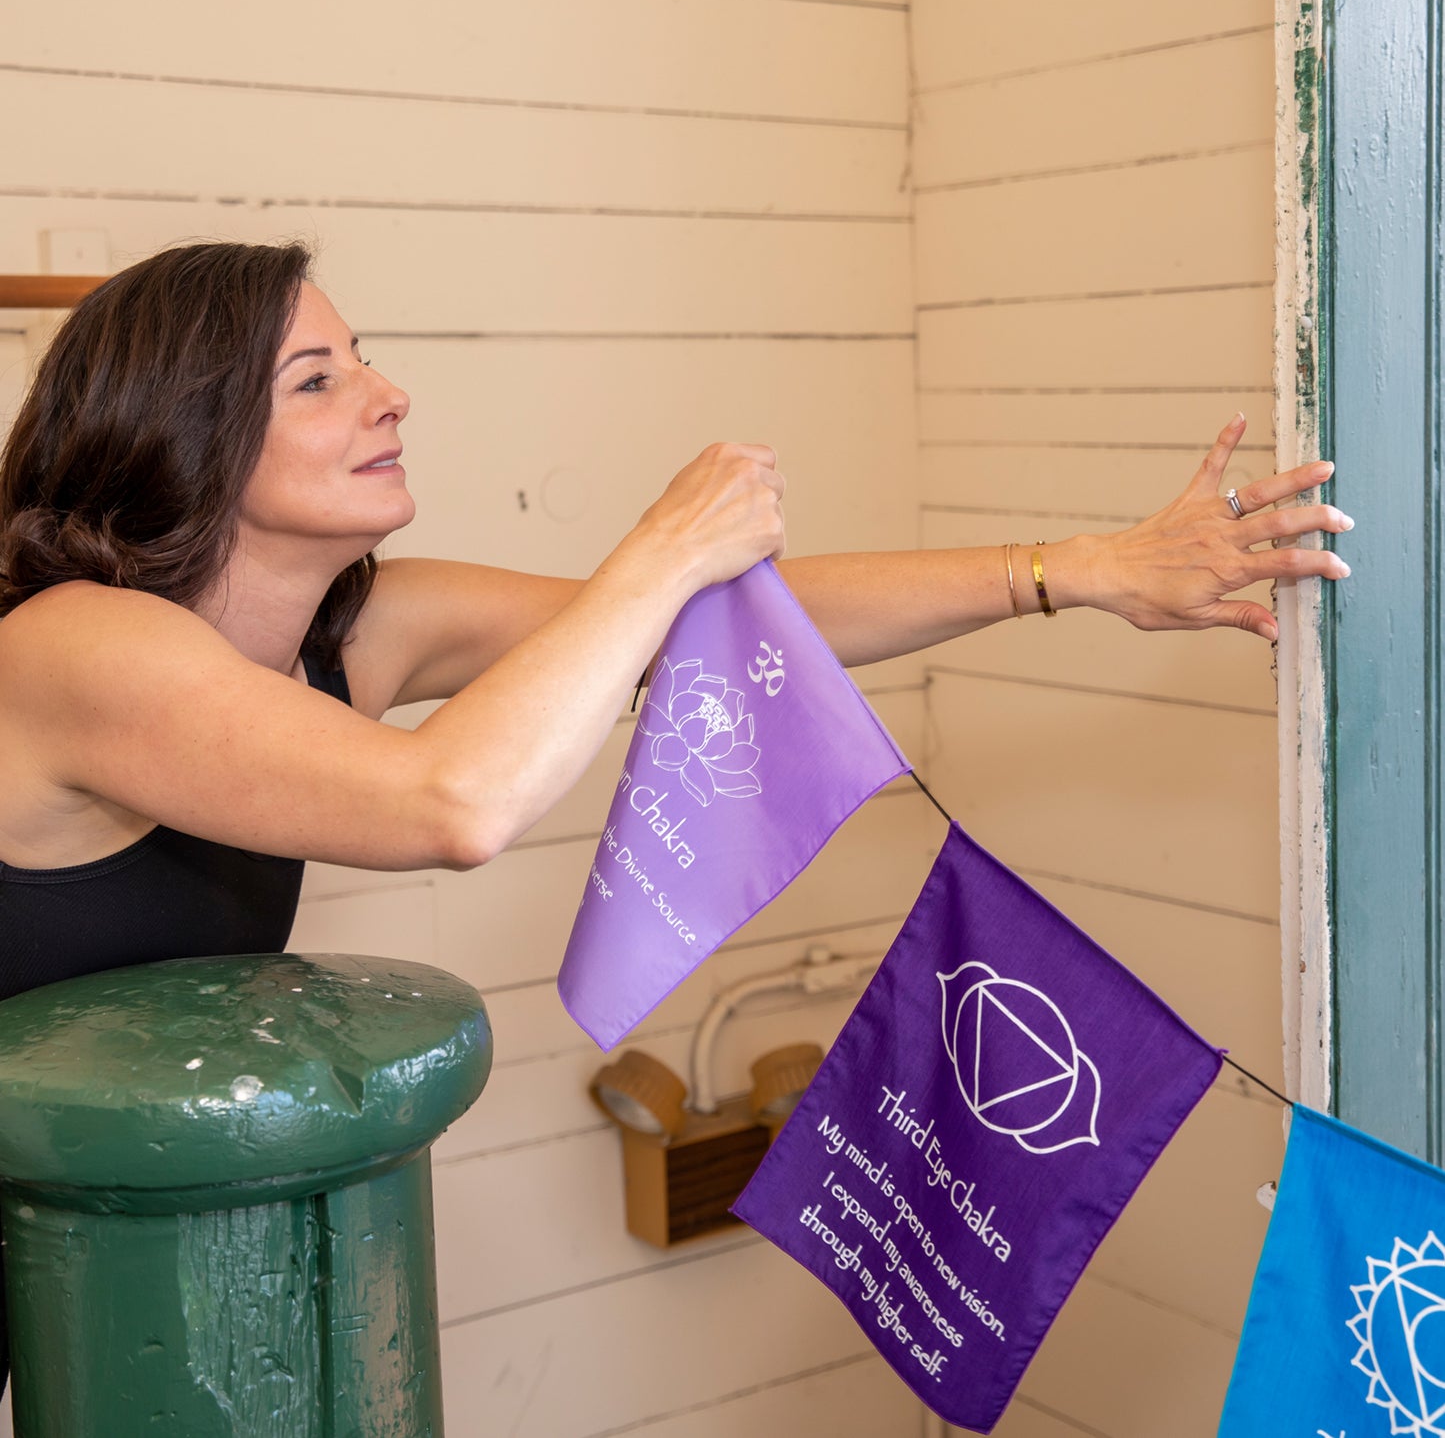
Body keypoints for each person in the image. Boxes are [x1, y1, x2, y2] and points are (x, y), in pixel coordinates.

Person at [0, 239, 1350, 1385]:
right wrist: (656, 550)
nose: (387, 394)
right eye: (320, 379)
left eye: (363, 357)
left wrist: (1075, 571)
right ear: (190, 433)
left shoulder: (363, 626)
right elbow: (453, 800)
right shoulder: (73, 648)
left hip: (91, 1201)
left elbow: (734, 631)